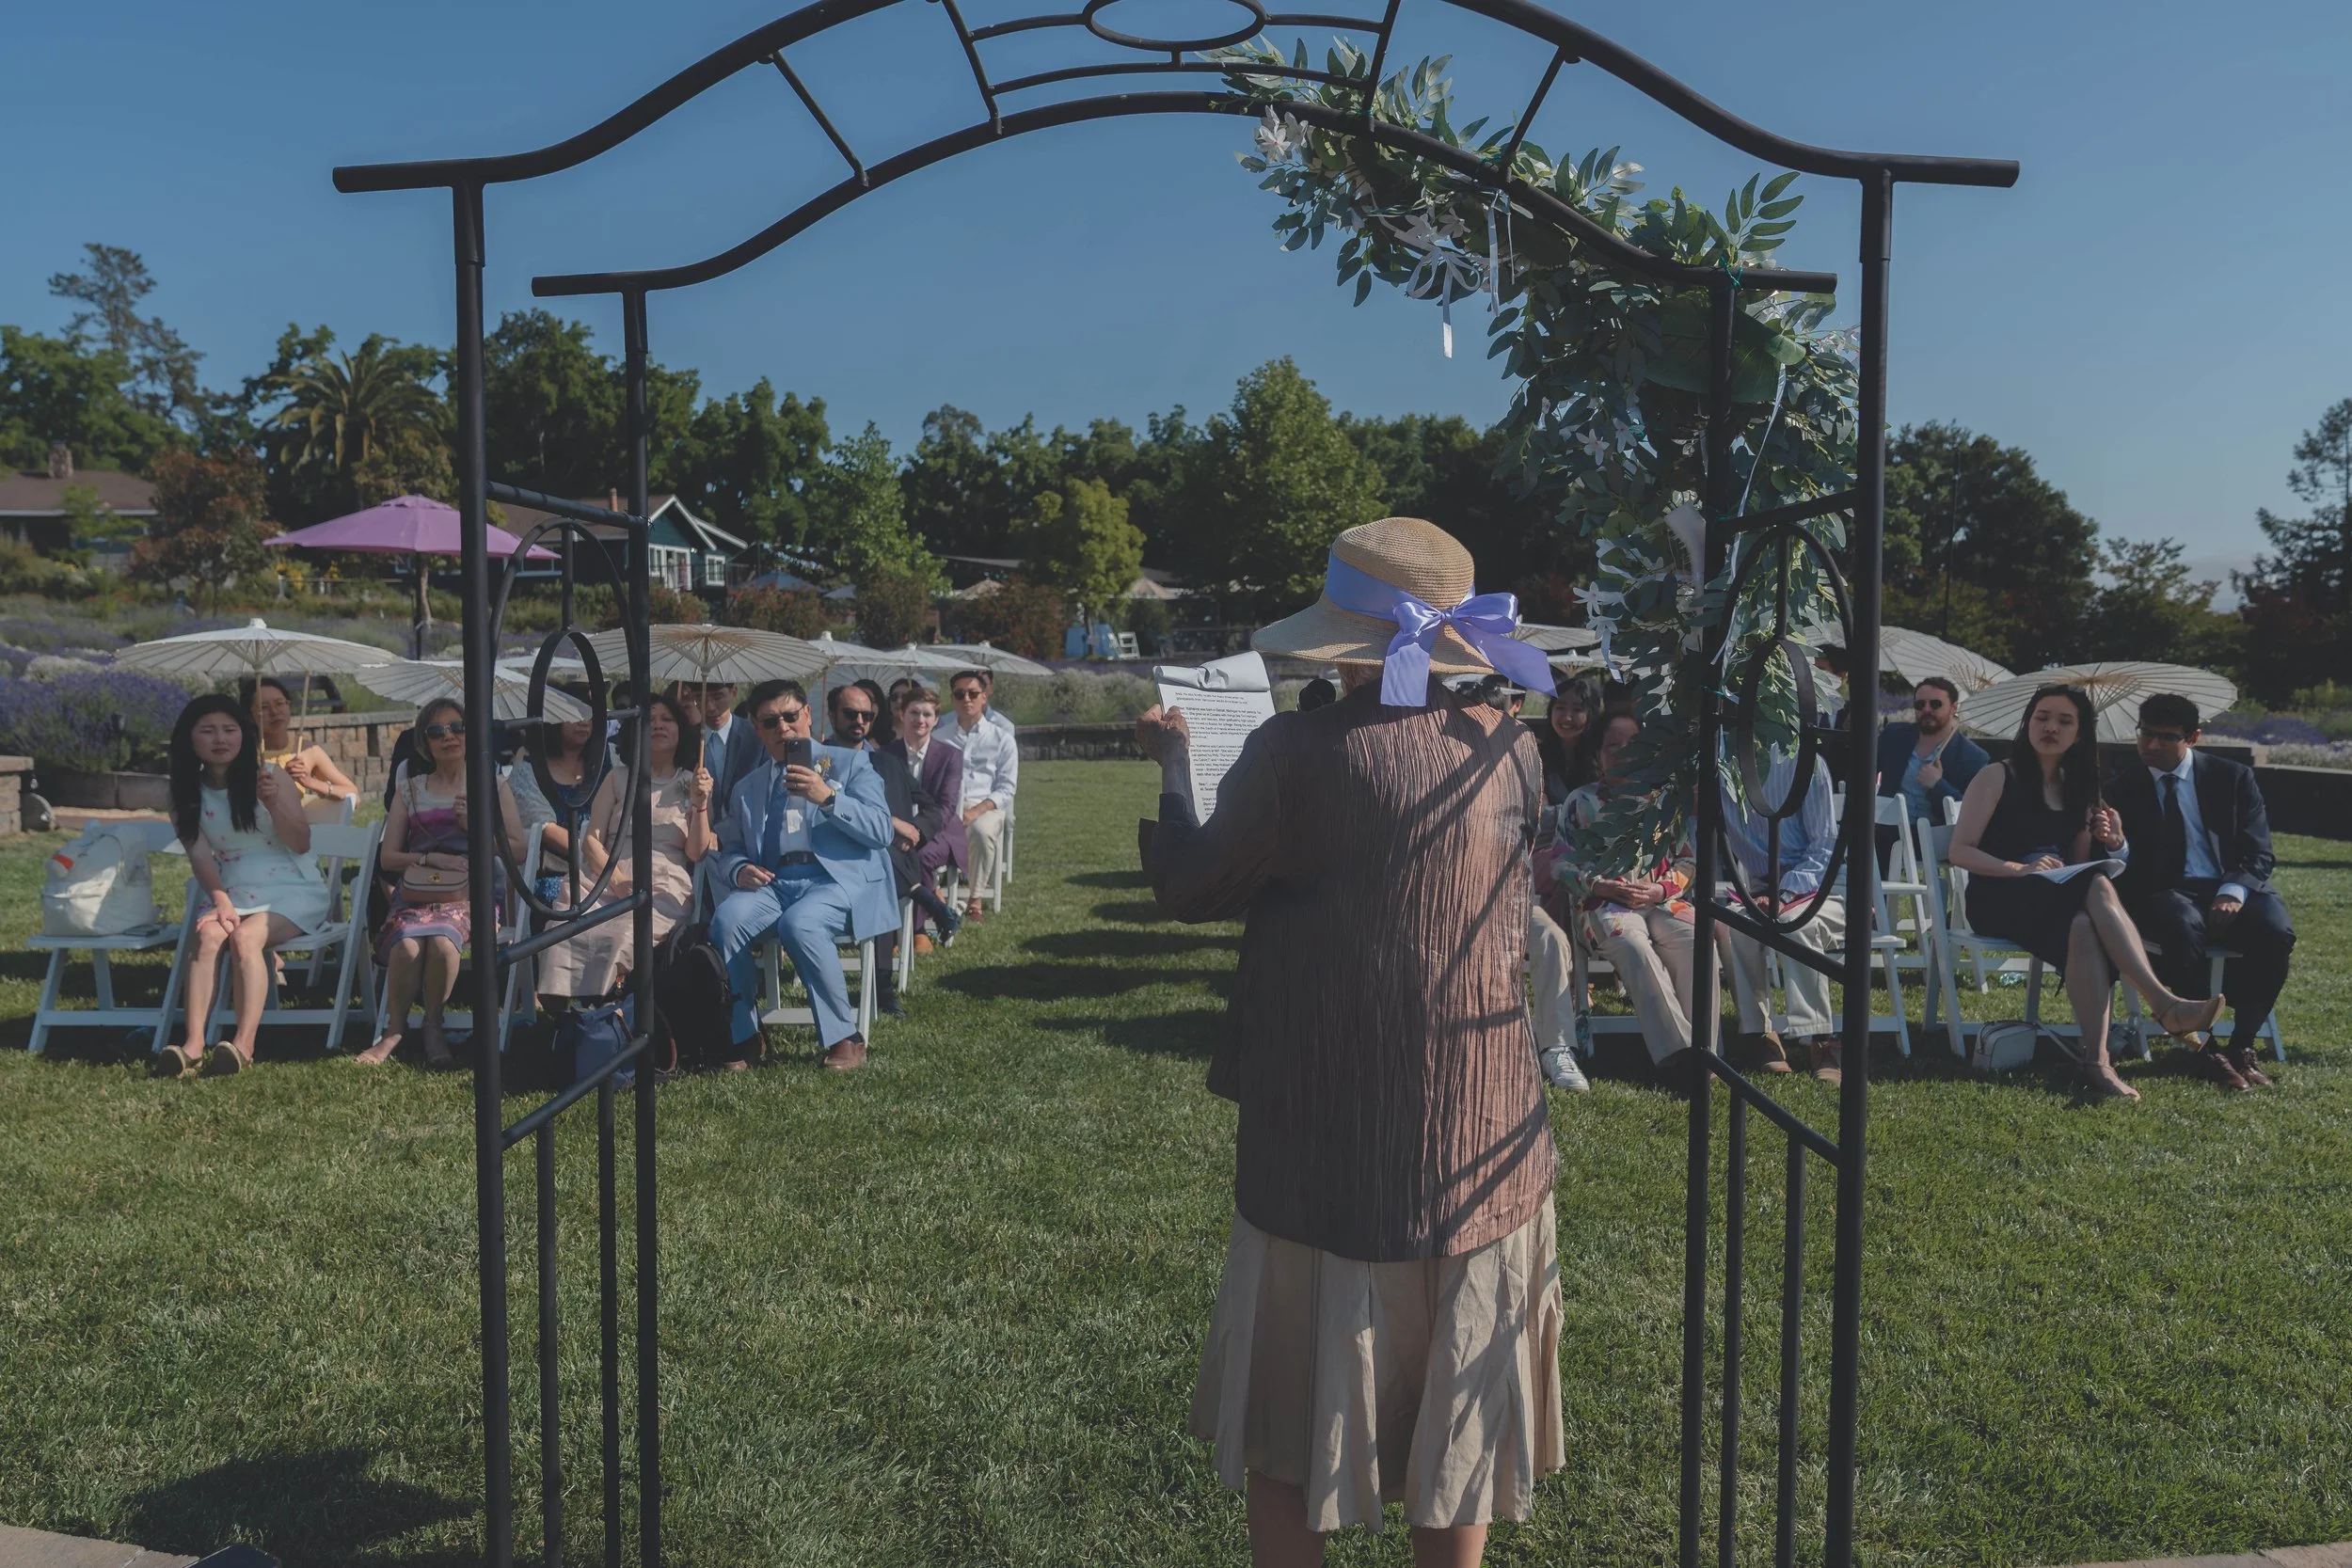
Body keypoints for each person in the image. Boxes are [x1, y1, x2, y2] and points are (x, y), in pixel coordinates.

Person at [1139, 516, 1563, 1565]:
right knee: (1460, 1408)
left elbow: (1195, 885)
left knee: (1291, 1412)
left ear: (1342, 639)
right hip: (1481, 1118)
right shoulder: (1513, 749)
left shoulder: (1296, 749)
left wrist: (1171, 769)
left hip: (1324, 1127)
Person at [1949, 684, 2223, 1101]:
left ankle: (2096, 1064)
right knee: (2096, 884)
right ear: (2027, 723)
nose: (2050, 727)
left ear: (2079, 734)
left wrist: (2112, 842)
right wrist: (2019, 869)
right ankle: (2163, 1002)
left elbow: (2078, 862)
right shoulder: (1996, 775)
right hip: (1999, 895)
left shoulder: (2079, 785)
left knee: (2084, 918)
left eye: (2064, 721)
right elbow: (1960, 851)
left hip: (2055, 897)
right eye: (2042, 717)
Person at [2105, 692, 2291, 1091]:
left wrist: (2233, 891)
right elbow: (2121, 869)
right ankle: (2206, 1052)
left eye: (2165, 737)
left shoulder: (2233, 778)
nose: (2151, 745)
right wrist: (2117, 844)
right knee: (2182, 924)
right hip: (2163, 892)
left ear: (2193, 737)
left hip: (2228, 884)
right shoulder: (2121, 785)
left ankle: (2242, 1047)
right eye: (2144, 733)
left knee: (2275, 930)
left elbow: (2258, 853)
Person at [708, 680, 898, 1070]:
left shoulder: (849, 764)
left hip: (838, 880)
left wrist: (828, 798)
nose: (784, 729)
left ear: (808, 716)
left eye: (791, 717)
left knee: (801, 923)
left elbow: (882, 830)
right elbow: (728, 849)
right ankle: (745, 1035)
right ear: (757, 729)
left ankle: (845, 1036)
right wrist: (740, 869)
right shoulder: (747, 788)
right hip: (774, 882)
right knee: (726, 920)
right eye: (770, 722)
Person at [155, 695, 332, 1077]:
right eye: (208, 730)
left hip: (292, 885)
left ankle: (242, 1044)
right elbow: (200, 856)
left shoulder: (270, 776)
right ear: (190, 739)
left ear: (244, 735)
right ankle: (194, 1043)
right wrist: (219, 901)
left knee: (245, 939)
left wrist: (274, 805)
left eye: (230, 729)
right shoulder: (183, 794)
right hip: (232, 888)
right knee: (206, 939)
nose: (221, 738)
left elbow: (301, 842)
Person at [358, 698, 525, 1069]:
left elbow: (519, 849)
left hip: (473, 895)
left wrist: (476, 829)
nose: (448, 736)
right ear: (424, 743)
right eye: (436, 731)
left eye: (457, 728)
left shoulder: (492, 786)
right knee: (407, 947)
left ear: (471, 734)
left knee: (442, 943)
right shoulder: (411, 790)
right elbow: (388, 858)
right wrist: (428, 857)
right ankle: (395, 1029)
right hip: (417, 894)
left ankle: (432, 1025)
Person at [538, 691, 715, 1001]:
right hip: (604, 875)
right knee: (565, 929)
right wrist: (617, 880)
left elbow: (696, 852)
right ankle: (567, 1013)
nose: (658, 725)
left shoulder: (691, 782)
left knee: (623, 934)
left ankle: (608, 1010)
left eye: (667, 719)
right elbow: (591, 839)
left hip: (662, 882)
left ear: (680, 730)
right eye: (650, 720)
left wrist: (700, 806)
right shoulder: (618, 778)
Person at [1555, 713, 1702, 1083]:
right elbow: (1560, 864)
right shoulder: (1581, 801)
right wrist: (1601, 886)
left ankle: (1709, 1052)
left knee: (1695, 941)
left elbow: (1688, 859)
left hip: (1661, 899)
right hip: (1602, 903)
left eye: (1631, 745)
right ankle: (1681, 1054)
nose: (1622, 753)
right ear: (1598, 754)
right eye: (1612, 746)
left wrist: (1660, 888)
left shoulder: (1663, 802)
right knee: (1631, 942)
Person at [1718, 745, 1844, 1082]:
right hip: (1759, 888)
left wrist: (1785, 893)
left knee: (1793, 924)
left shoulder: (1805, 762)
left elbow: (1824, 845)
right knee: (1739, 926)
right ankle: (1761, 1033)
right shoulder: (1719, 765)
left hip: (1823, 887)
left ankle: (1819, 1037)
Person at [826, 681, 927, 1016]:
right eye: (850, 713)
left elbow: (931, 808)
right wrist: (893, 824)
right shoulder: (816, 761)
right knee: (879, 868)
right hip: (830, 859)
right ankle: (924, 896)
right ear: (831, 715)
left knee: (879, 871)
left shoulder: (887, 763)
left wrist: (915, 831)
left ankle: (882, 984)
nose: (859, 721)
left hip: (883, 858)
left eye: (866, 715)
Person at [887, 685, 966, 952]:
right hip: (896, 829)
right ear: (901, 714)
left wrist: (916, 833)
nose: (920, 720)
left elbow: (946, 806)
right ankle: (901, 920)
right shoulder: (886, 754)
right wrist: (901, 830)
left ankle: (915, 930)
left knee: (916, 857)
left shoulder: (950, 756)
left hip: (939, 830)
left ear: (935, 719)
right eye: (914, 713)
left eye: (927, 715)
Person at [941, 668, 1018, 921]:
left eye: (973, 693)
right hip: (947, 804)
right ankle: (934, 893)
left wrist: (975, 811)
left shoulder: (1002, 738)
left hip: (986, 805)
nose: (967, 700)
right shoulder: (939, 737)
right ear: (952, 698)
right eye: (960, 694)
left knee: (981, 831)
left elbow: (1006, 787)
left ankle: (975, 896)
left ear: (984, 697)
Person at [1874, 676, 1988, 834]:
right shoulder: (1894, 735)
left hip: (1936, 844)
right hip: (1886, 835)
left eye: (1936, 704)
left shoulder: (1972, 757)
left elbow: (1971, 813)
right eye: (1920, 705)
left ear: (1954, 708)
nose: (1927, 710)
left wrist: (1938, 785)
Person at [508, 715, 598, 906]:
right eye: (574, 715)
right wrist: (595, 857)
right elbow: (544, 827)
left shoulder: (607, 762)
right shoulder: (528, 768)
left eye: (590, 715)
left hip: (604, 868)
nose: (584, 722)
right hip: (554, 874)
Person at [248, 676, 359, 816]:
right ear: (249, 715)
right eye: (264, 707)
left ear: (289, 705)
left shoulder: (307, 751)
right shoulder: (243, 754)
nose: (274, 712)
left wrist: (310, 782)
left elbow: (353, 795)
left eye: (280, 703)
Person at [1533, 672, 1605, 808]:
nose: (1567, 718)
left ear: (1591, 714)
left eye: (1577, 710)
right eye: (1560, 708)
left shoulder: (1601, 759)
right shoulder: (1536, 757)